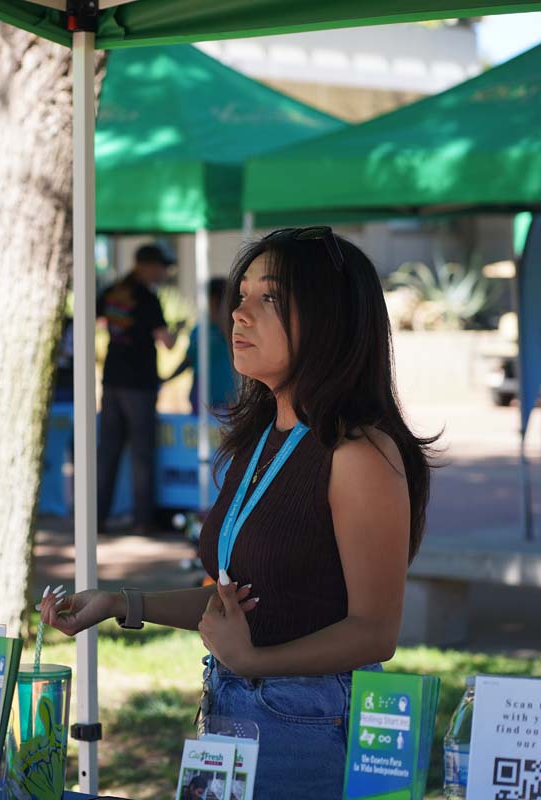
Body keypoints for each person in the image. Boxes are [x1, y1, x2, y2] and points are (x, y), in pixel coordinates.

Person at [44, 227, 435, 799]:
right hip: (233, 707)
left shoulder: (358, 453)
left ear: (329, 318)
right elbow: (239, 598)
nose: (239, 314)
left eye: (269, 298)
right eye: (241, 295)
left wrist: (256, 659)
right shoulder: (263, 436)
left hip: (308, 725)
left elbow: (374, 632)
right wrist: (121, 603)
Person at [96, 243, 178, 533]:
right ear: (147, 266)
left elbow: (97, 320)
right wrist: (178, 332)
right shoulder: (147, 298)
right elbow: (166, 341)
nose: (164, 272)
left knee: (107, 451)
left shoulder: (114, 290)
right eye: (161, 266)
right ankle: (143, 521)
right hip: (139, 384)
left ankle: (97, 518)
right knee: (142, 454)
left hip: (112, 379)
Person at [165, 278, 236, 413]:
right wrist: (166, 379)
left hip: (226, 398)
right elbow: (189, 360)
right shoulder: (199, 328)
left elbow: (224, 329)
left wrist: (222, 306)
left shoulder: (231, 328)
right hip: (200, 396)